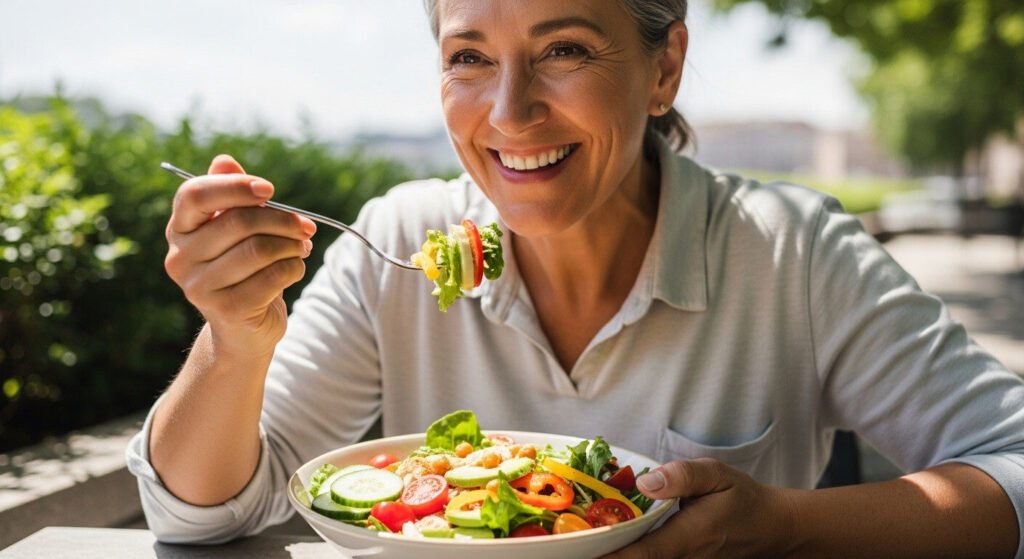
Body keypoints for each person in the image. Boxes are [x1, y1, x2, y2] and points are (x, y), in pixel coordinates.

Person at [126, 0, 1024, 556]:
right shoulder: (400, 240)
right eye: (469, 57)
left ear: (663, 68)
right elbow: (200, 517)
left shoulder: (793, 250)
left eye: (564, 50)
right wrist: (236, 338)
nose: (510, 114)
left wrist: (785, 524)